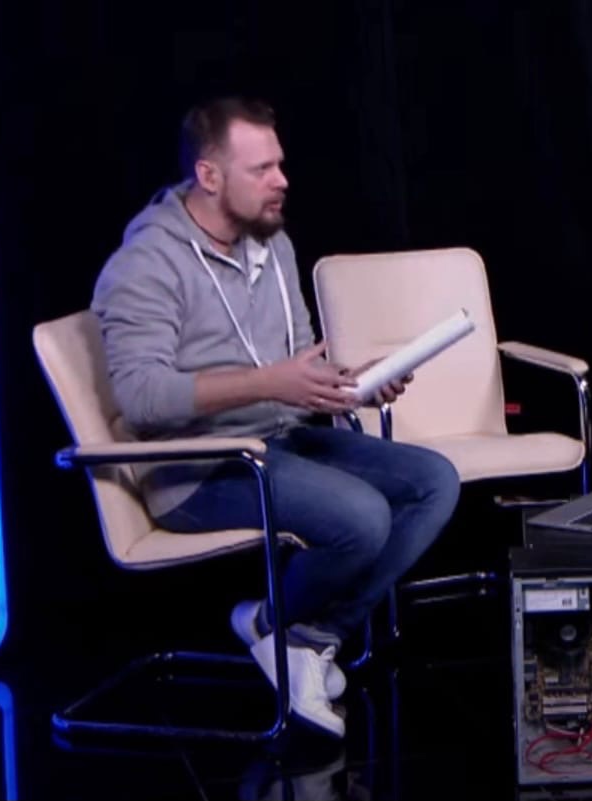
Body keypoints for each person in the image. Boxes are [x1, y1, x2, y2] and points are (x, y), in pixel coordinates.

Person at [91, 97, 460, 738]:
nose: (282, 180)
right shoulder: (144, 265)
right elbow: (143, 399)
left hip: (282, 437)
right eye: (262, 169)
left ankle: (295, 634)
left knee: (435, 481)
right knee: (362, 517)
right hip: (197, 467)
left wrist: (354, 383)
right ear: (209, 176)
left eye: (280, 164)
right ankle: (286, 636)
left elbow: (297, 366)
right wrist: (270, 383)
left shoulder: (272, 245)